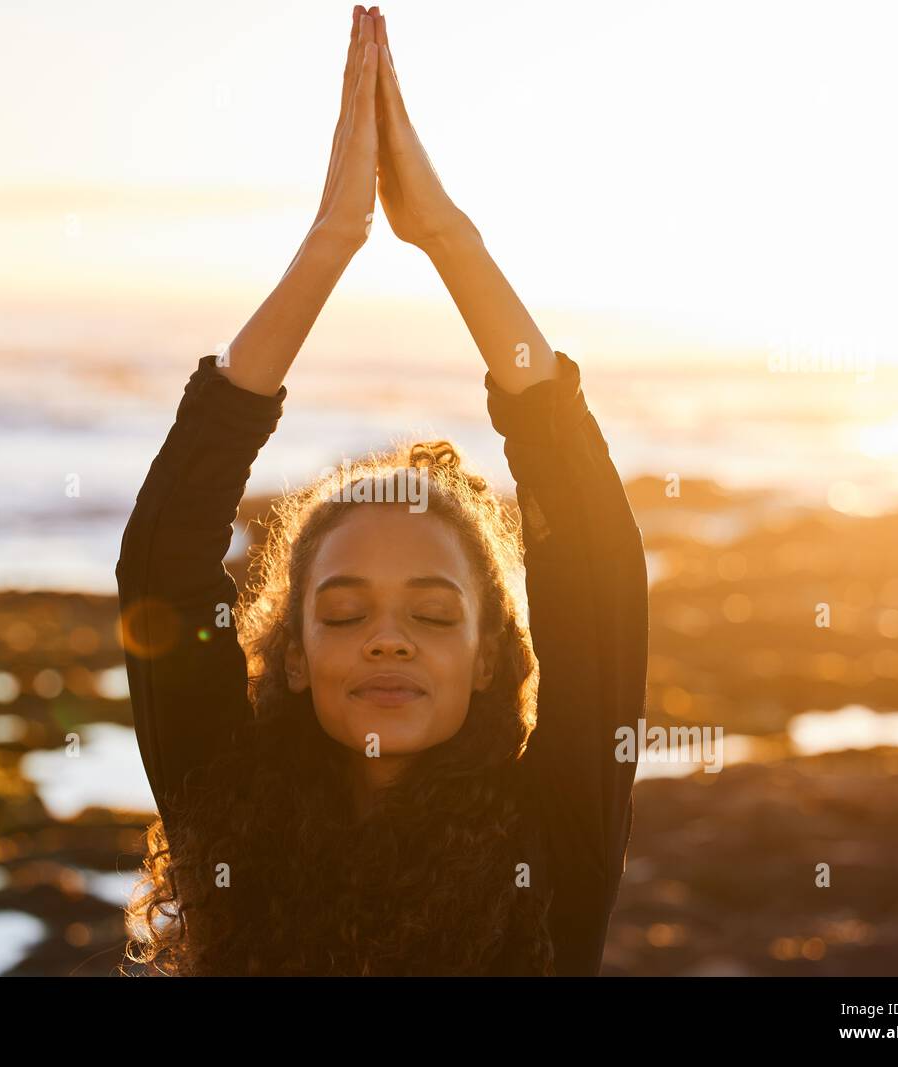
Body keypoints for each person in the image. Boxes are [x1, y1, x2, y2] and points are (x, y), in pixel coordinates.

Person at [115, 6, 648, 976]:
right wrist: (330, 241)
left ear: (489, 657)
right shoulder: (226, 808)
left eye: (435, 614)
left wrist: (446, 234)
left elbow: (600, 566)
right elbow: (165, 559)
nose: (387, 636)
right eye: (345, 607)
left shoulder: (553, 832)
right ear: (290, 656)